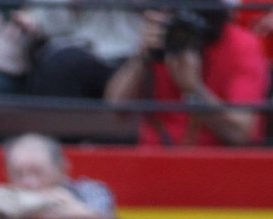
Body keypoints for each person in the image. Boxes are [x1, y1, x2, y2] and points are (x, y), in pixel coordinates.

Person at [103, 6, 268, 147]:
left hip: (218, 164)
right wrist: (143, 58)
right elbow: (116, 110)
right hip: (155, 159)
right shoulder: (160, 41)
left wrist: (194, 88)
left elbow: (241, 133)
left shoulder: (241, 45)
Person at [0, 131, 114, 219]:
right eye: (18, 173)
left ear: (62, 169)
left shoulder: (90, 192)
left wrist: (67, 206)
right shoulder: (6, 195)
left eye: (37, 172)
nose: (29, 183)